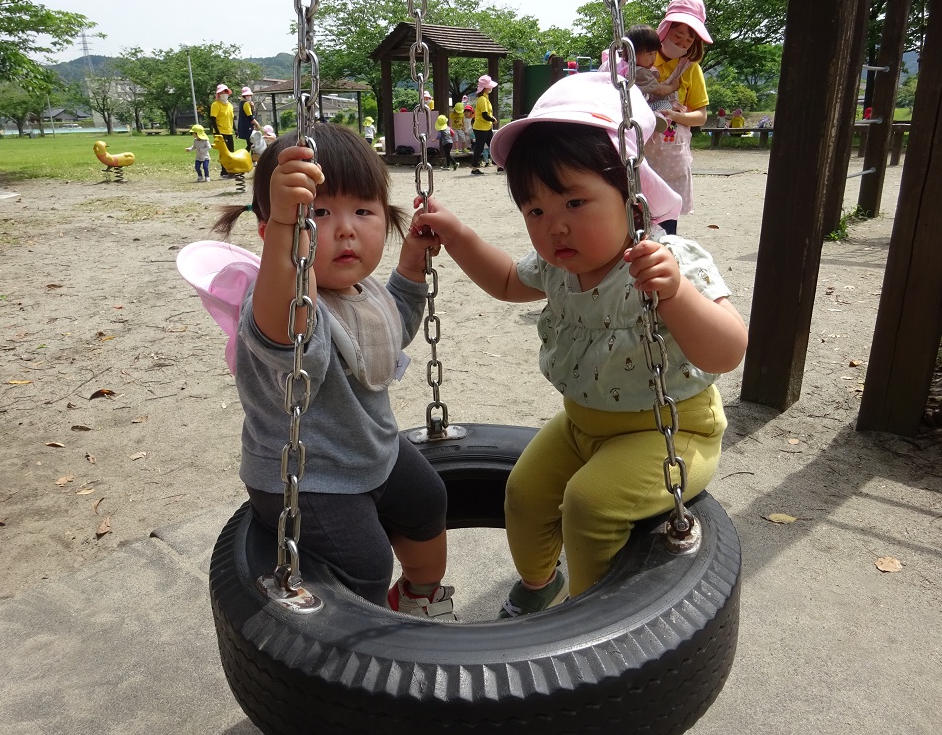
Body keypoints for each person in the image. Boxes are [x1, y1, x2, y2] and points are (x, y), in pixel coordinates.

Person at [410, 71, 748, 618]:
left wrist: (676, 295)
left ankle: (586, 620)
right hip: (581, 424)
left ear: (633, 200)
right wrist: (458, 236)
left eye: (574, 202)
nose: (555, 227)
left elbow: (727, 352)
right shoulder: (558, 268)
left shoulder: (667, 263)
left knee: (589, 506)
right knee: (523, 493)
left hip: (673, 432)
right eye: (536, 211)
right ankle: (540, 585)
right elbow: (505, 281)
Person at [207, 123, 456, 620]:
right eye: (318, 213)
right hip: (307, 478)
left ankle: (420, 596)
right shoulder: (284, 301)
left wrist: (410, 267)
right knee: (363, 560)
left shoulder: (360, 290)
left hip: (372, 450)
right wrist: (287, 227)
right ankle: (360, 648)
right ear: (270, 233)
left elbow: (391, 331)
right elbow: (288, 329)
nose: (346, 229)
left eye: (363, 211)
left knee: (429, 499)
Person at [641, 0, 713, 235]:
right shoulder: (643, 61)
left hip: (671, 154)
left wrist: (673, 114)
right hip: (641, 149)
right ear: (665, 29)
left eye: (689, 39)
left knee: (665, 225)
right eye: (678, 35)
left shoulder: (691, 69)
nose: (682, 42)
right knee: (634, 216)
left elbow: (700, 116)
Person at [624, 24, 690, 134]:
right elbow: (659, 91)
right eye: (649, 54)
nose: (653, 58)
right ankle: (656, 115)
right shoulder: (639, 72)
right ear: (633, 53)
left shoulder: (622, 66)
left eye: (655, 53)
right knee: (665, 104)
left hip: (627, 108)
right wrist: (673, 87)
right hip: (637, 110)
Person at [470, 74, 498, 175]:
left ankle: (499, 165)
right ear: (485, 88)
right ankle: (474, 168)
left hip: (485, 127)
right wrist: (493, 119)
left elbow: (486, 114)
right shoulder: (482, 99)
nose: (491, 88)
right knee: (480, 147)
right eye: (489, 86)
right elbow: (485, 115)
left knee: (492, 145)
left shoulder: (484, 98)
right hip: (481, 128)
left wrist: (491, 119)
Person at [210, 84, 236, 178]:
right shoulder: (215, 105)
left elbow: (232, 119)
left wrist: (235, 130)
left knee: (231, 152)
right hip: (220, 131)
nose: (224, 94)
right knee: (224, 153)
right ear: (218, 94)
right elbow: (213, 119)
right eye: (222, 92)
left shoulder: (230, 105)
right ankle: (224, 172)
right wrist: (217, 132)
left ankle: (231, 170)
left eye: (225, 92)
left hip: (229, 131)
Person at [237, 86, 261, 153]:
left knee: (250, 143)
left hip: (243, 126)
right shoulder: (246, 104)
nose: (249, 96)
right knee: (251, 143)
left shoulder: (241, 103)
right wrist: (257, 124)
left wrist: (252, 107)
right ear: (244, 96)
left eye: (249, 95)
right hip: (248, 126)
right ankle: (244, 155)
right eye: (247, 95)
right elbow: (250, 116)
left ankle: (250, 156)